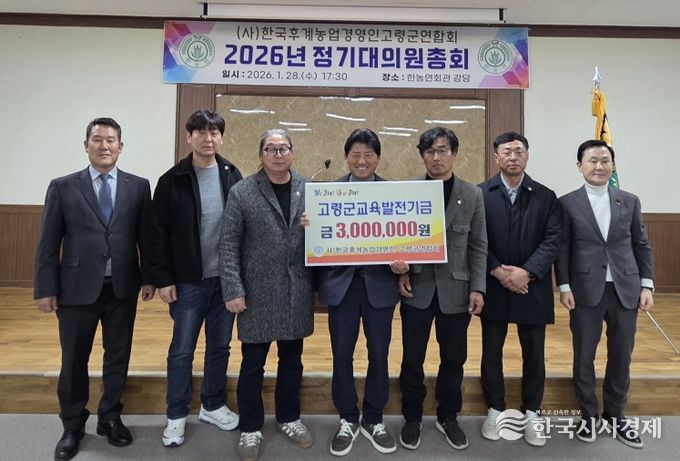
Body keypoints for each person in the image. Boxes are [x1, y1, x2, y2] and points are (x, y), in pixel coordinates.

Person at [34, 117, 155, 461]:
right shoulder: (63, 187)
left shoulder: (138, 186)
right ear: (86, 145)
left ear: (121, 146)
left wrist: (149, 277)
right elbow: (47, 242)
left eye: (111, 139)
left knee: (117, 357)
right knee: (74, 359)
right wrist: (45, 287)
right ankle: (72, 425)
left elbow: (146, 237)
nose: (104, 145)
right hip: (75, 289)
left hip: (122, 288)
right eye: (97, 139)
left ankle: (110, 417)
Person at [220, 128, 314, 461]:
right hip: (256, 294)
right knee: (252, 365)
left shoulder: (310, 190)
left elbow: (327, 239)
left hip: (296, 291)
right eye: (270, 149)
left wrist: (315, 228)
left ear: (292, 152)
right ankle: (250, 427)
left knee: (292, 362)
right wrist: (233, 289)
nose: (278, 154)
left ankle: (289, 418)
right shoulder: (242, 191)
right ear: (260, 155)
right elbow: (228, 244)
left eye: (283, 148)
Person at [151, 109, 242, 447]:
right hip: (188, 281)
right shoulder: (171, 180)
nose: (208, 138)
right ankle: (176, 414)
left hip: (225, 281)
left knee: (220, 347)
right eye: (201, 132)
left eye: (214, 132)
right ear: (189, 137)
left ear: (221, 137)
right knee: (181, 350)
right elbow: (157, 235)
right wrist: (163, 279)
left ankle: (212, 404)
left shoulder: (232, 173)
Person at [556, 139, 654, 449]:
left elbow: (641, 244)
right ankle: (588, 415)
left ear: (612, 165)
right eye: (593, 161)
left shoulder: (629, 200)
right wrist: (564, 286)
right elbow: (563, 248)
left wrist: (647, 284)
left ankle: (615, 414)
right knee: (584, 354)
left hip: (626, 288)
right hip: (584, 290)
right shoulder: (566, 203)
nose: (599, 166)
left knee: (622, 355)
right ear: (580, 166)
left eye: (605, 161)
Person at [397, 126, 487, 451]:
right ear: (422, 156)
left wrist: (478, 288)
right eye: (430, 151)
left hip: (457, 292)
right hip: (417, 289)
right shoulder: (408, 192)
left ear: (454, 154)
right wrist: (399, 271)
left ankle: (448, 416)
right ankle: (412, 417)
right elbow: (397, 239)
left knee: (454, 358)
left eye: (443, 150)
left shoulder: (472, 194)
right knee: (412, 359)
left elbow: (478, 245)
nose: (437, 157)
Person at [315, 128, 402, 456]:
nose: (362, 160)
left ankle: (374, 418)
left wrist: (403, 264)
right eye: (356, 155)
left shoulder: (395, 195)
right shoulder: (328, 194)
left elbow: (407, 238)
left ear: (378, 158)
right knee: (342, 354)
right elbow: (317, 244)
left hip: (380, 287)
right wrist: (312, 227)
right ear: (346, 157)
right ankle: (348, 418)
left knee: (379, 354)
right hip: (342, 288)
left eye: (368, 155)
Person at [478, 132, 561, 446]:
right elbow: (476, 238)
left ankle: (532, 412)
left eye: (519, 151)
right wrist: (498, 271)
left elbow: (552, 240)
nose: (513, 157)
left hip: (532, 286)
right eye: (506, 152)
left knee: (534, 354)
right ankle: (495, 409)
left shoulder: (546, 196)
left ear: (527, 155)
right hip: (494, 284)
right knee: (491, 352)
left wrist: (527, 273)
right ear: (496, 157)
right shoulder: (480, 194)